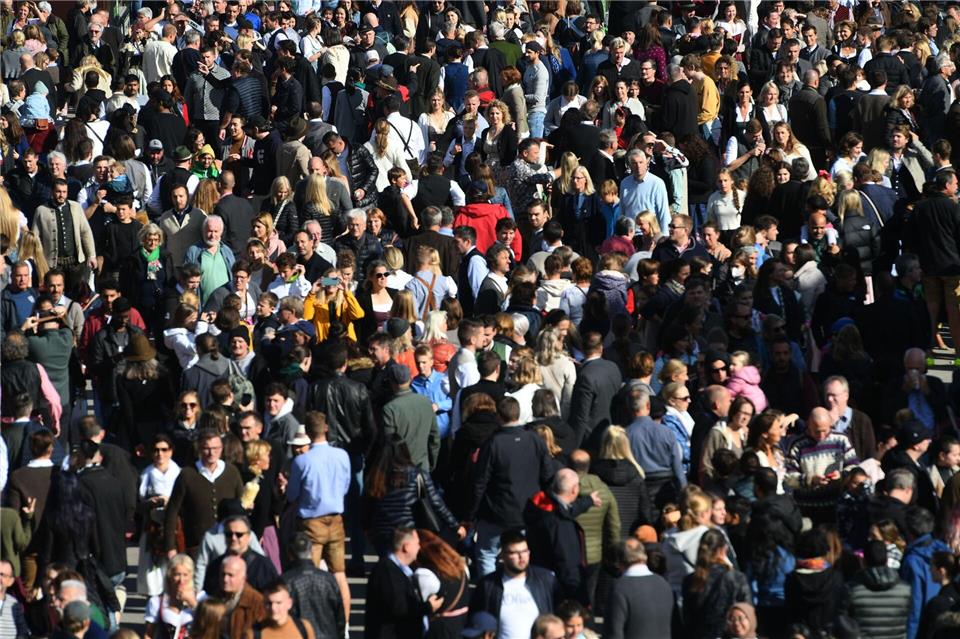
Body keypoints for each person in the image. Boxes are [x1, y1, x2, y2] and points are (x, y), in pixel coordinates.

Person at [285, 411, 352, 621]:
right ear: (326, 429)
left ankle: (312, 622)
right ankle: (346, 626)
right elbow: (346, 486)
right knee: (339, 574)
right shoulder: (342, 455)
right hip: (336, 518)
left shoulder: (302, 462)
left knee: (308, 575)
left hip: (311, 522)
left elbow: (292, 494)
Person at [366, 527, 445, 639]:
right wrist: (428, 607)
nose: (419, 547)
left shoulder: (399, 570)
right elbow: (400, 608)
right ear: (406, 547)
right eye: (417, 543)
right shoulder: (387, 572)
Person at [281, 533, 346, 639]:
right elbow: (339, 618)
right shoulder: (329, 579)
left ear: (289, 554)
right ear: (311, 551)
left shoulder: (285, 581)